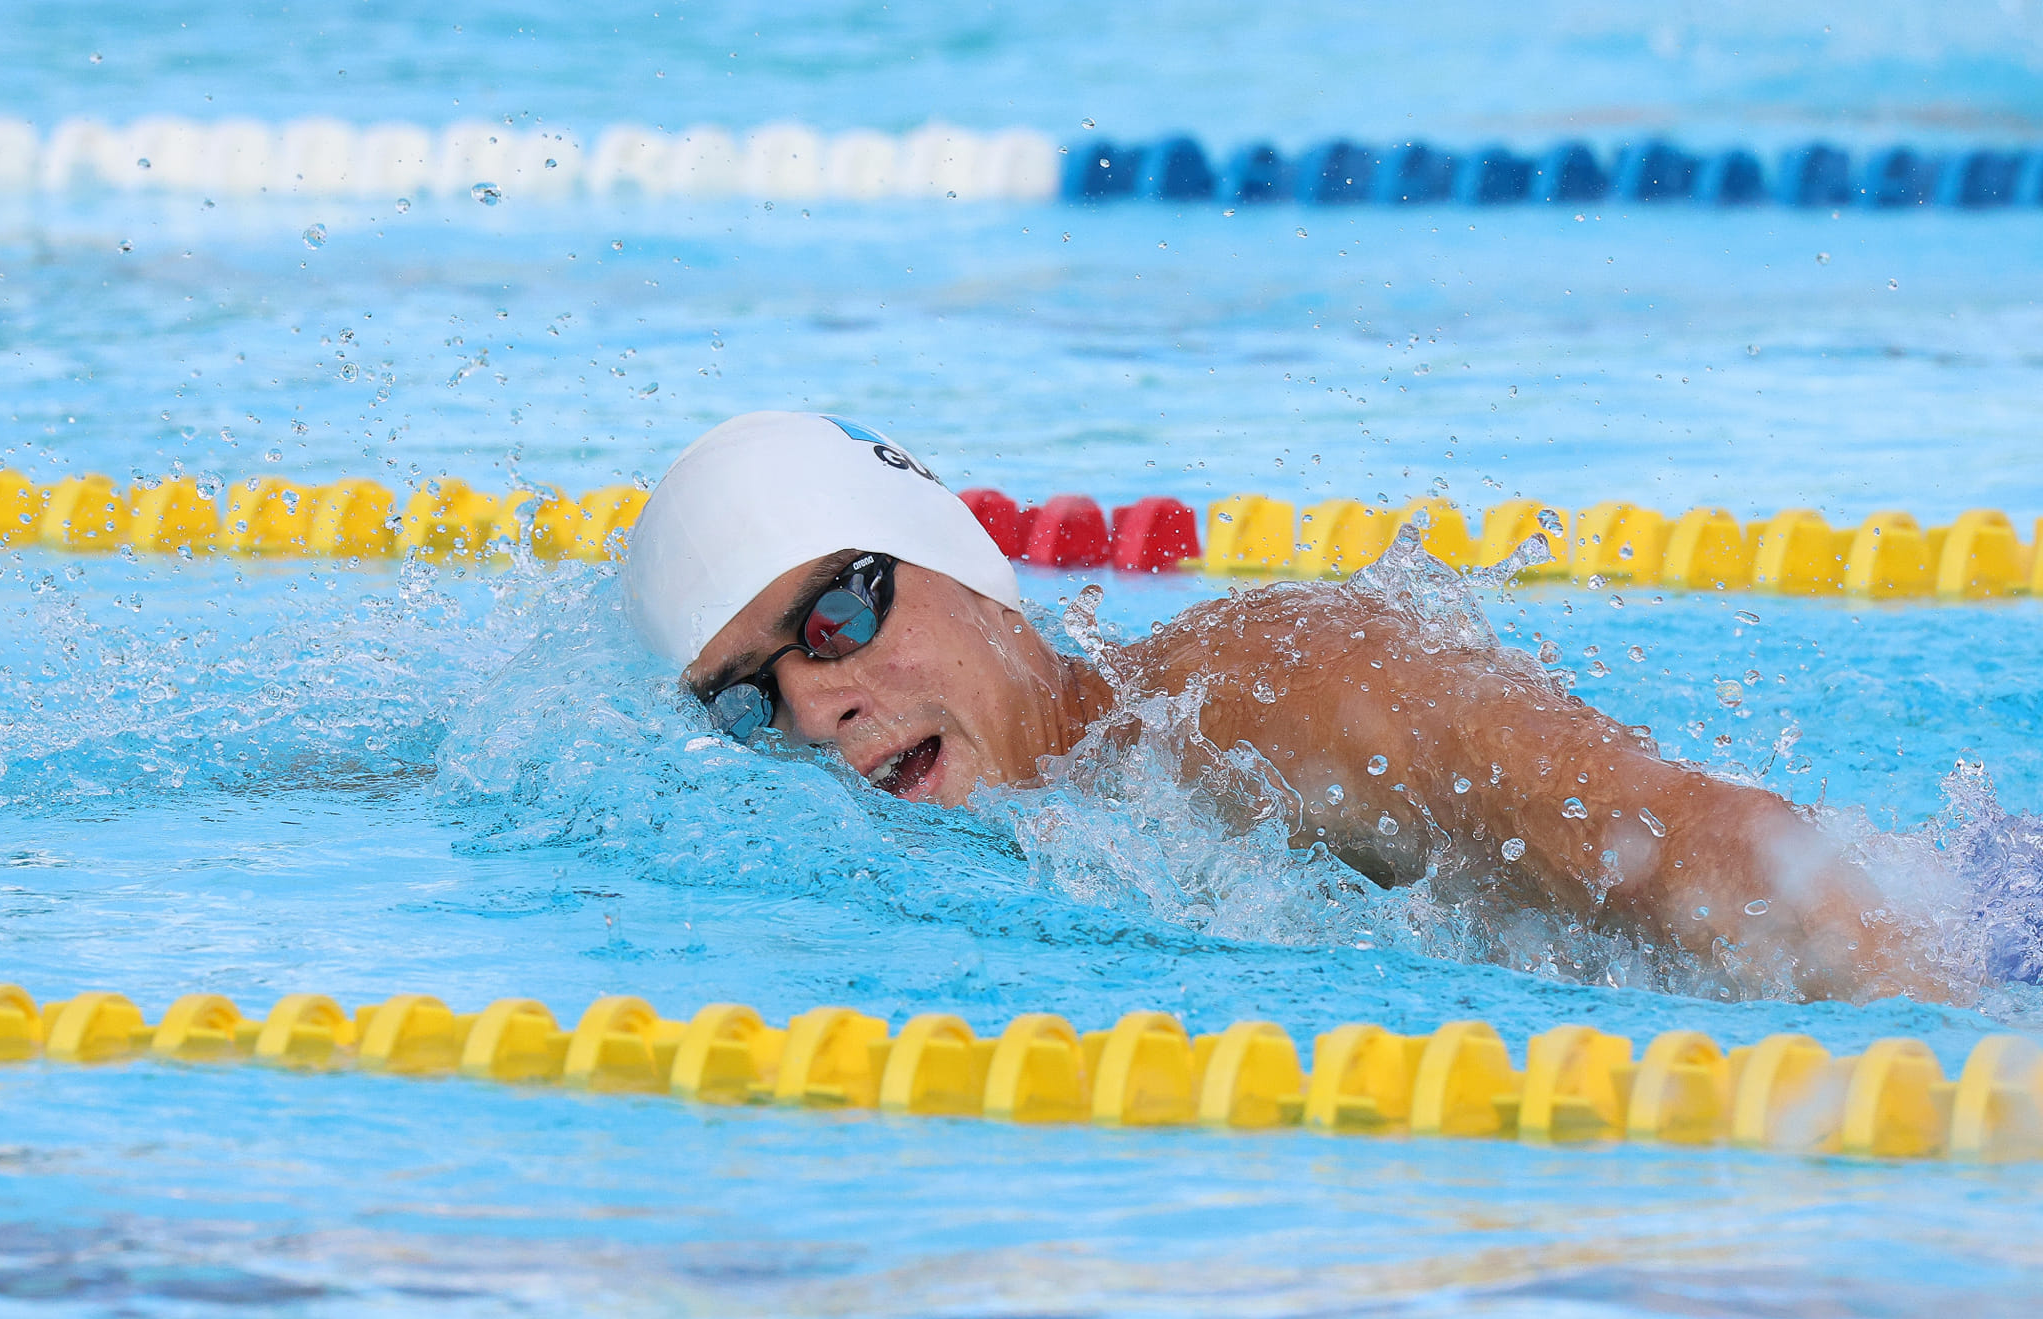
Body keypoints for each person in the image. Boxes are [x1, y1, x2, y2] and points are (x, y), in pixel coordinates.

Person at [627, 410, 1948, 1003]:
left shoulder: (1262, 694)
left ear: (967, 564)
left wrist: (1931, 1074)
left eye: (838, 615)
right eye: (752, 698)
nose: (815, 708)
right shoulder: (1026, 848)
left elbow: (1678, 836)